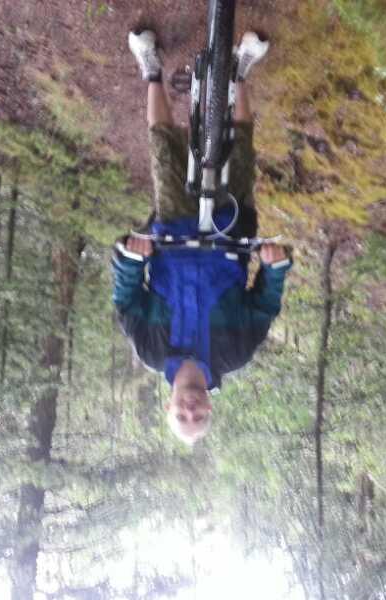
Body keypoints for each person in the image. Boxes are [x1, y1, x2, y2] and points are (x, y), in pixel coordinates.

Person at [113, 28, 292, 444]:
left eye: (182, 416)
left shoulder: (151, 350)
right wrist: (275, 265)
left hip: (173, 230)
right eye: (198, 417)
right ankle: (240, 72)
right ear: (209, 408)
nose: (191, 410)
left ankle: (152, 71)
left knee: (163, 150)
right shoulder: (236, 352)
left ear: (169, 406)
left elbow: (126, 298)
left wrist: (132, 259)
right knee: (241, 148)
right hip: (230, 232)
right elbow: (265, 302)